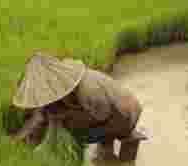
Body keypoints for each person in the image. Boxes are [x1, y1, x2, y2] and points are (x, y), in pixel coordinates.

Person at [11, 52, 143, 156]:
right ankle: (104, 150)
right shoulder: (57, 89)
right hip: (104, 111)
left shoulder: (88, 91)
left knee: (69, 128)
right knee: (55, 117)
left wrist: (64, 117)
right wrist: (18, 139)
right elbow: (40, 116)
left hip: (125, 116)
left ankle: (104, 157)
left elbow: (101, 116)